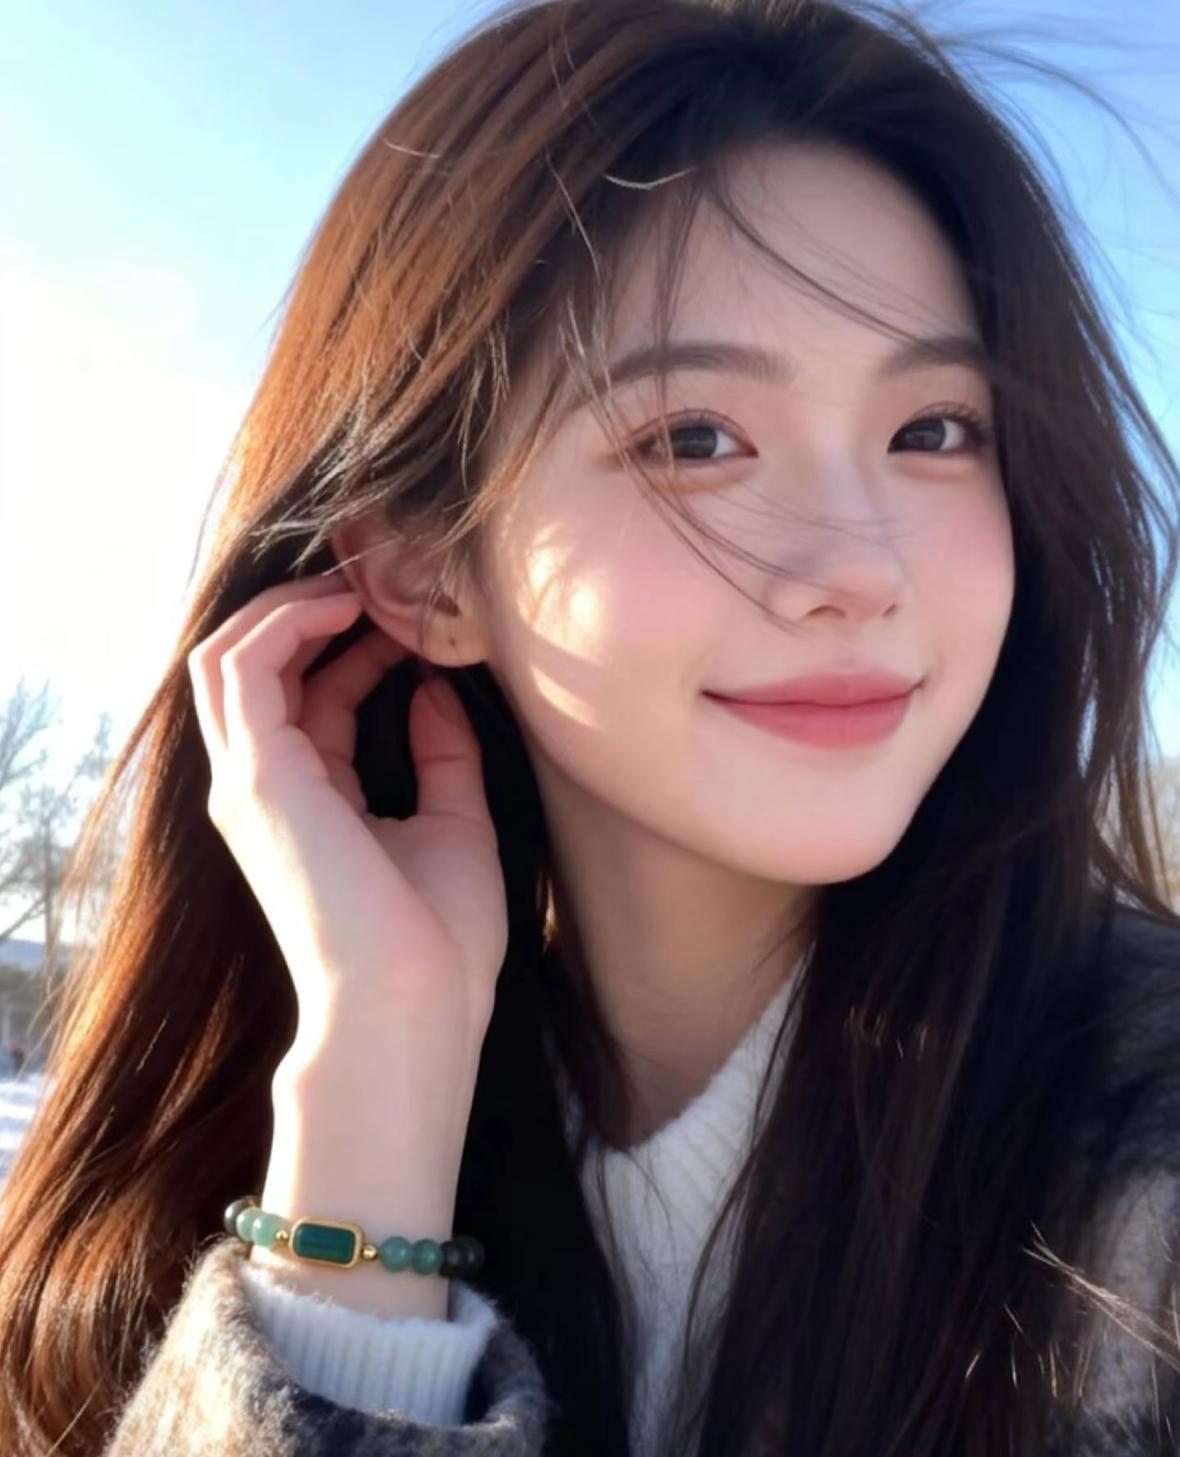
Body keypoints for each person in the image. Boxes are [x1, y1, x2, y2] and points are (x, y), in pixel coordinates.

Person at [1, 0, 1178, 1452]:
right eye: (695, 438)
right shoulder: (238, 1165)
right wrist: (374, 1098)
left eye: (934, 429)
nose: (861, 567)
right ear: (426, 571)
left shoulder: (1142, 1162)